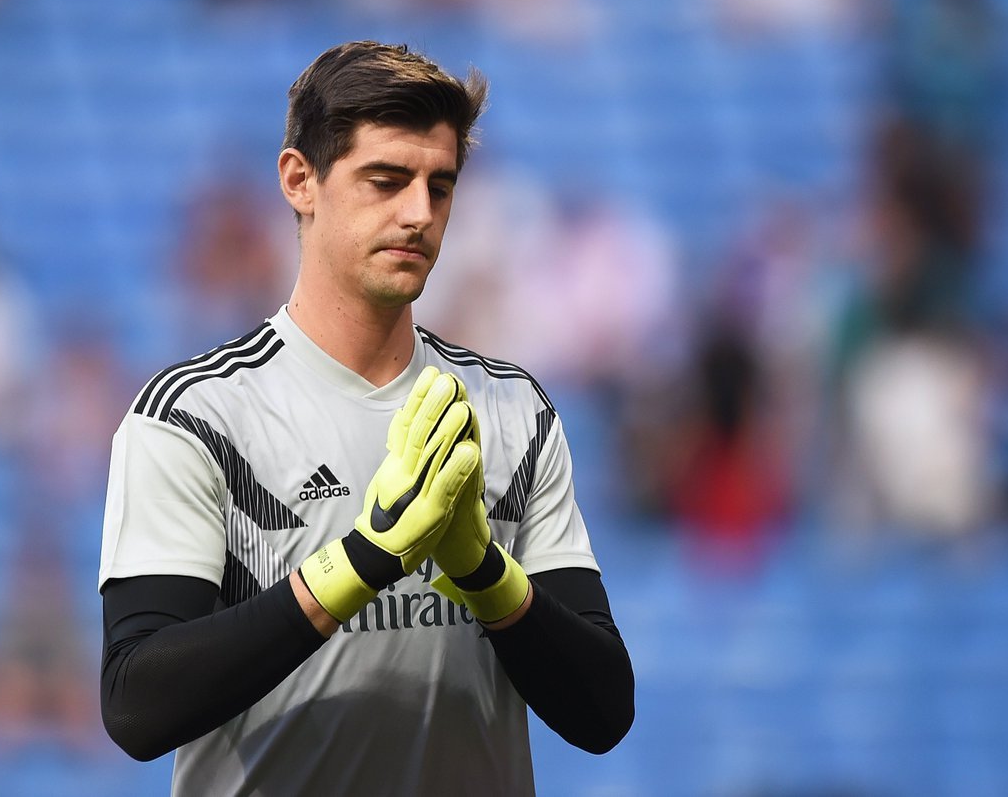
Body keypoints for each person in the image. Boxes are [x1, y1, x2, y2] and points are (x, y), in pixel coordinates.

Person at [98, 41, 634, 795]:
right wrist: (360, 562)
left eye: (439, 187)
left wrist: (483, 570)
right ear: (300, 181)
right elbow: (137, 706)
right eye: (386, 181)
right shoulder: (196, 416)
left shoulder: (513, 408)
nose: (418, 214)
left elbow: (603, 712)